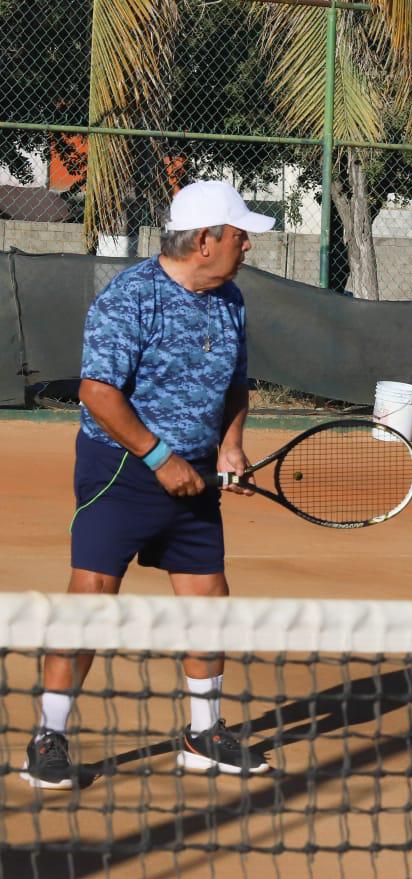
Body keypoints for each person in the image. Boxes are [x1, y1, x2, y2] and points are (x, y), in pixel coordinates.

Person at [21, 181, 275, 789]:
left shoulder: (231, 299)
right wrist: (160, 457)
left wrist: (231, 445)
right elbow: (97, 393)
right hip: (121, 468)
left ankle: (202, 732)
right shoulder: (130, 297)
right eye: (240, 234)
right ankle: (47, 738)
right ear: (206, 241)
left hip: (194, 470)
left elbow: (236, 383)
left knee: (209, 596)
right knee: (91, 594)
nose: (248, 244)